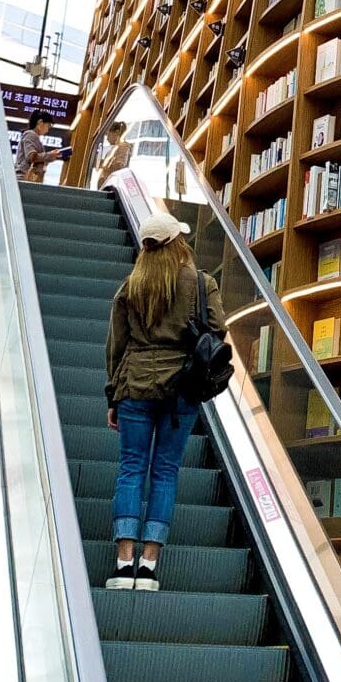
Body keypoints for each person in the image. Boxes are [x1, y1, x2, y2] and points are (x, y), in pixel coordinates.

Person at [103, 209, 226, 591]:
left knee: (131, 468)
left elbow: (116, 344)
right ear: (177, 243)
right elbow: (218, 330)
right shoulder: (201, 283)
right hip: (180, 390)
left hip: (134, 386)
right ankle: (150, 565)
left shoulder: (131, 286)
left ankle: (124, 563)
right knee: (165, 472)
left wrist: (113, 393)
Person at [17, 113, 67, 184]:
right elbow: (31, 156)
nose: (47, 130)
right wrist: (49, 155)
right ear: (40, 122)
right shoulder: (30, 135)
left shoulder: (32, 136)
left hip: (24, 179)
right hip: (23, 179)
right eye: (48, 126)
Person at [97, 120, 132, 185]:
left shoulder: (123, 147)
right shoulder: (115, 148)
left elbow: (119, 166)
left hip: (112, 185)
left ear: (117, 132)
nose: (107, 138)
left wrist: (102, 164)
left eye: (108, 134)